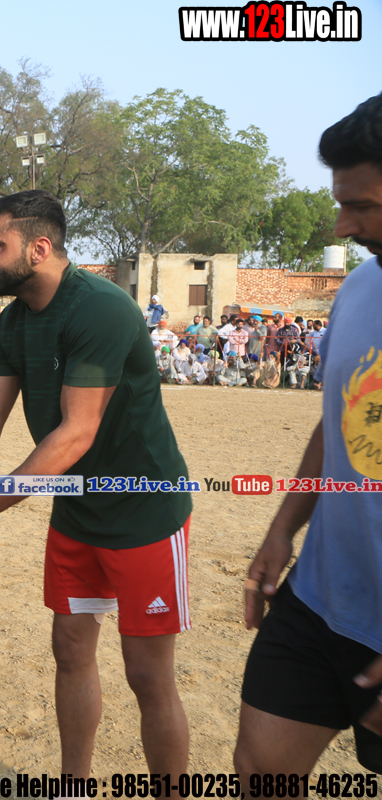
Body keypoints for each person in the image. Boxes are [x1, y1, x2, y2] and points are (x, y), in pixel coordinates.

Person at [0, 190, 193, 777]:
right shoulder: (11, 323)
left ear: (38, 249)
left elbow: (75, 434)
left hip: (143, 511)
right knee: (70, 651)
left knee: (147, 675)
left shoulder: (101, 308)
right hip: (75, 509)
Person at [236, 92, 382, 778]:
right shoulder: (359, 289)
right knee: (259, 772)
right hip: (320, 599)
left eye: (363, 206)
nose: (343, 225)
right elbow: (340, 423)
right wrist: (282, 529)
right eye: (341, 203)